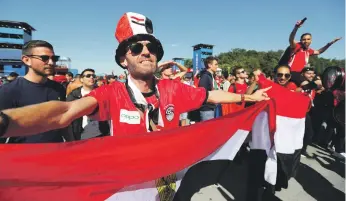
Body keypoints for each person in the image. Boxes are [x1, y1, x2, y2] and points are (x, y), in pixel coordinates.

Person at [0, 12, 270, 139]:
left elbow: (211, 94)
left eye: (151, 47)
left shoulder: (174, 89)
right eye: (136, 47)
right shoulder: (111, 92)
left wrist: (248, 95)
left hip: (167, 177)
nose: (145, 52)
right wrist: (4, 122)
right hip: (128, 179)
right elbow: (63, 112)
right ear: (123, 59)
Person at [0, 40, 74, 143]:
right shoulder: (8, 90)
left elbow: (65, 121)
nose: (51, 62)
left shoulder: (58, 88)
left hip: (56, 152)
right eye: (44, 58)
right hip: (23, 155)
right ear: (26, 60)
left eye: (54, 58)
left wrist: (72, 144)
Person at [286, 18, 342, 85]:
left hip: (302, 74)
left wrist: (330, 43)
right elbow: (291, 39)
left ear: (311, 40)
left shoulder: (309, 50)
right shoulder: (297, 46)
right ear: (300, 40)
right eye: (304, 39)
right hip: (292, 72)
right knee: (306, 84)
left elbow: (319, 52)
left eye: (308, 39)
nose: (306, 41)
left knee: (321, 83)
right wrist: (296, 27)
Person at [67, 68, 110, 140]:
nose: (91, 77)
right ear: (81, 79)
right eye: (88, 76)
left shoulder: (102, 92)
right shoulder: (74, 95)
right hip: (81, 136)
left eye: (93, 75)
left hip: (101, 134)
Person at [198, 56, 219, 121]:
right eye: (215, 64)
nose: (217, 66)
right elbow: (202, 93)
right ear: (209, 65)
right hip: (207, 109)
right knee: (208, 130)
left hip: (211, 107)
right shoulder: (205, 76)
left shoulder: (210, 76)